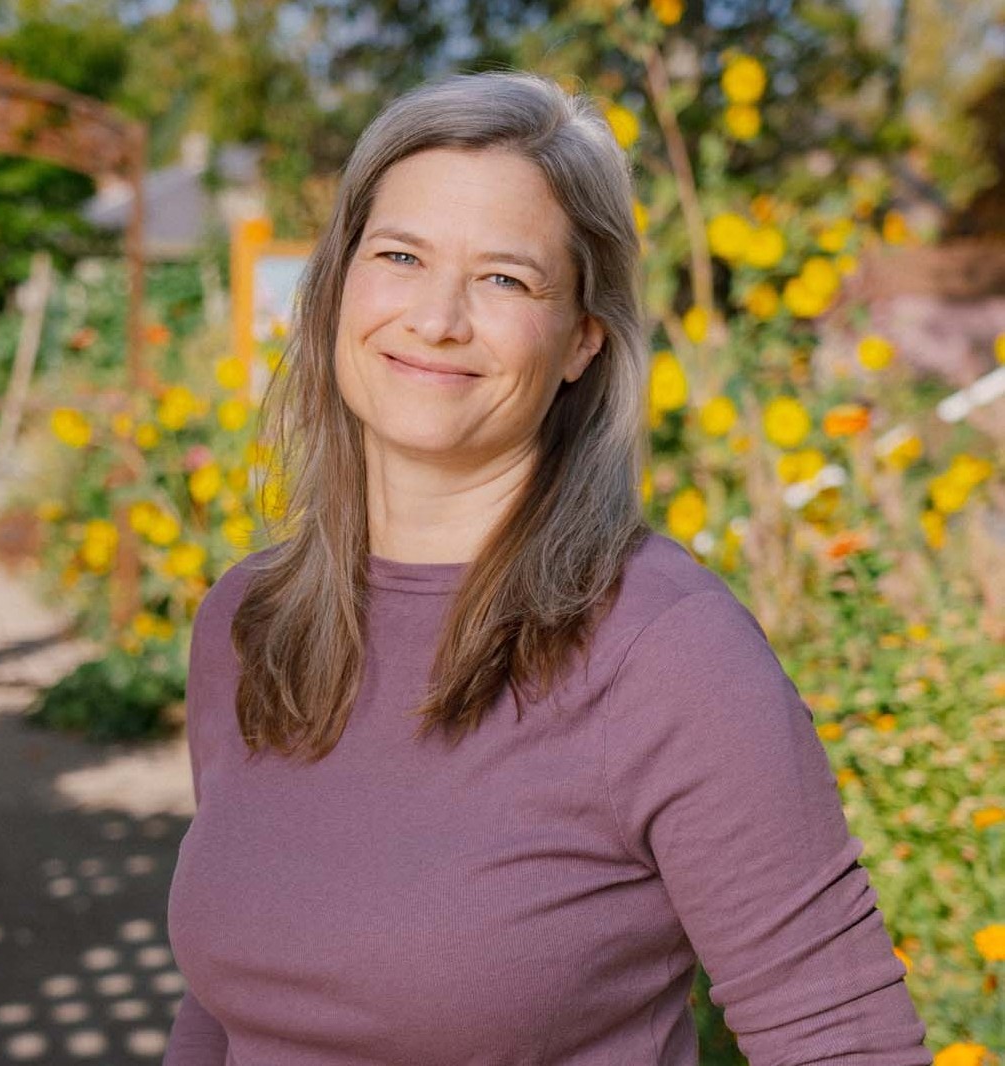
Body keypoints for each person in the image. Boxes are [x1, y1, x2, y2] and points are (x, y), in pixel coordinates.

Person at [163, 71, 931, 1065]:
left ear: (580, 340)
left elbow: (846, 1043)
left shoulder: (666, 652)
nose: (437, 318)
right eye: (400, 255)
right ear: (340, 283)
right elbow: (225, 1011)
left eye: (504, 279)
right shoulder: (251, 621)